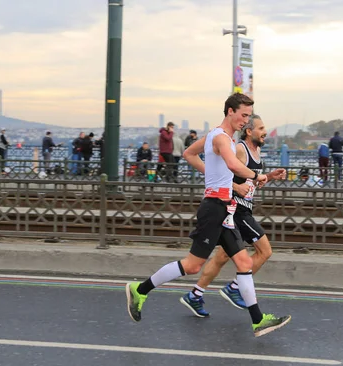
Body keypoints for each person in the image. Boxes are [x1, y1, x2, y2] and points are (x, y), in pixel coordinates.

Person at [125, 93, 291, 337]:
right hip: (214, 209)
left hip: (226, 209)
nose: (245, 121)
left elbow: (189, 155)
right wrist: (258, 176)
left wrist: (213, 176)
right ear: (230, 111)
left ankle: (258, 321)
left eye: (248, 116)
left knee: (244, 262)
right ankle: (140, 289)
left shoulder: (215, 136)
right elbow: (234, 166)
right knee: (192, 266)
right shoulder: (223, 139)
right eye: (243, 115)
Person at [180, 115, 286, 317]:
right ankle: (235, 288)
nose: (265, 131)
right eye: (261, 128)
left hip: (243, 207)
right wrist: (236, 187)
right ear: (249, 131)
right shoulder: (239, 150)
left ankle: (194, 295)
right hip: (236, 209)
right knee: (264, 251)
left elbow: (249, 183)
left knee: (222, 256)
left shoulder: (257, 151)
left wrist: (269, 176)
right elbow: (220, 176)